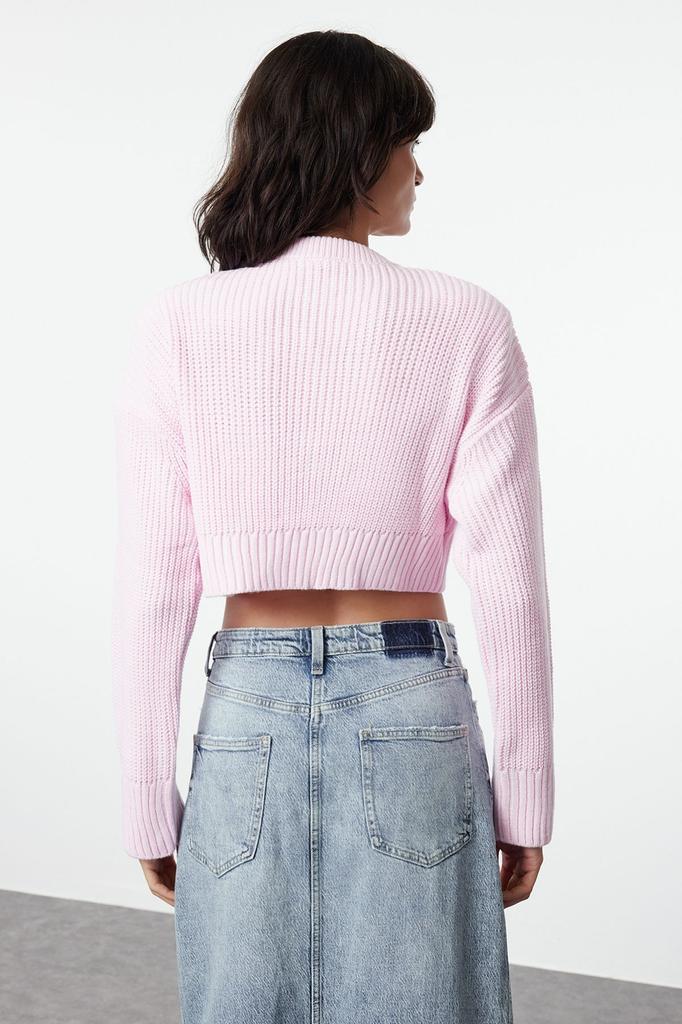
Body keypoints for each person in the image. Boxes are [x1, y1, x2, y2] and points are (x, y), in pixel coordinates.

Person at [111, 28, 554, 1024]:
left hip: (247, 704)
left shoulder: (179, 323)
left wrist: (144, 796)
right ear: (358, 149)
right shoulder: (466, 319)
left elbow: (154, 582)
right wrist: (526, 794)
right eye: (408, 142)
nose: (418, 170)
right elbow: (509, 579)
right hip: (413, 698)